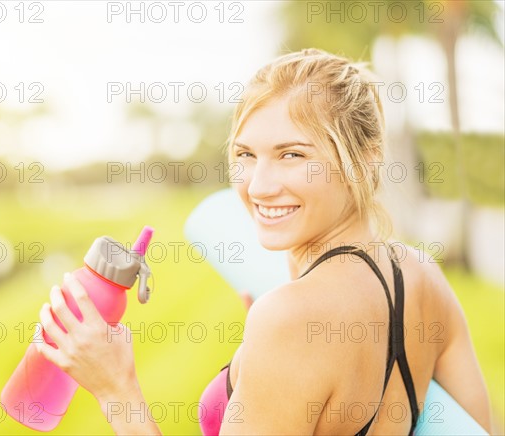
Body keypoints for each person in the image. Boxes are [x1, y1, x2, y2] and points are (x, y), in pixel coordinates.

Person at [35, 48, 492, 435]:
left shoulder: (289, 319)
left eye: (292, 155)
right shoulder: (422, 276)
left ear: (365, 160)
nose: (258, 186)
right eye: (246, 155)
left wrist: (117, 389)